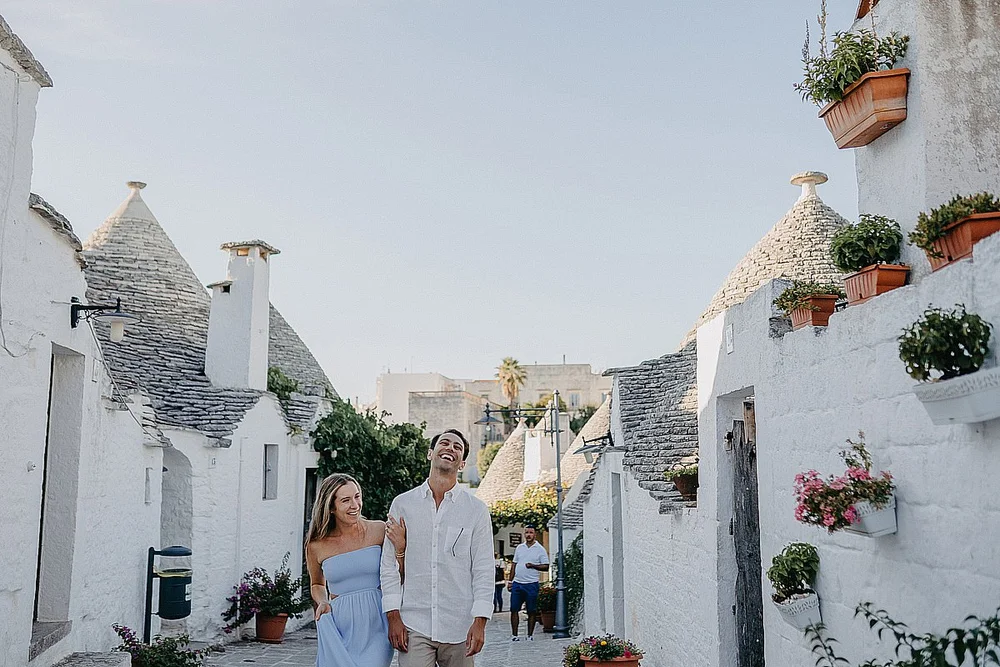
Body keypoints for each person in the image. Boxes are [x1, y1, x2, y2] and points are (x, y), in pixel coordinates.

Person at [381, 429, 494, 667]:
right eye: (444, 443)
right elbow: (389, 564)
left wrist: (480, 621)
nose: (450, 448)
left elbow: (484, 569)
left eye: (457, 447)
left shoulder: (476, 510)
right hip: (415, 623)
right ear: (430, 453)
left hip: (460, 626)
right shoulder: (403, 504)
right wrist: (393, 616)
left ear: (462, 463)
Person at [305, 473, 404, 667]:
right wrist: (323, 601)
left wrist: (400, 549)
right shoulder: (316, 545)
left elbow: (399, 574)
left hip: (376, 623)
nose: (355, 505)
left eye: (357, 496)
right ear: (331, 507)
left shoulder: (378, 530)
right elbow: (317, 583)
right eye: (346, 500)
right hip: (339, 625)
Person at [507, 525, 549, 642]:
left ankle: (530, 635)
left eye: (531, 532)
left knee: (531, 611)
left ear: (535, 534)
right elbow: (514, 565)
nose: (528, 535)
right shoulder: (520, 548)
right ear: (524, 534)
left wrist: (533, 565)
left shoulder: (540, 549)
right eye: (526, 532)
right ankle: (514, 635)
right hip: (518, 583)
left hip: (531, 584)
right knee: (514, 609)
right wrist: (510, 581)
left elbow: (546, 566)